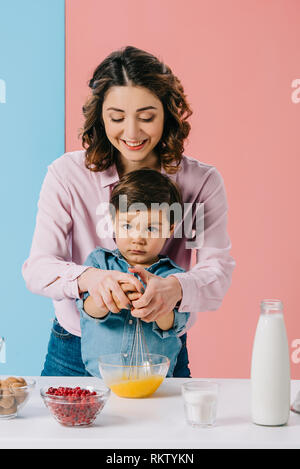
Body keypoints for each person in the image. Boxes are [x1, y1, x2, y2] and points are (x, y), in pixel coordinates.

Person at [22, 45, 235, 377]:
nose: (132, 133)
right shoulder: (67, 175)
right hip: (74, 351)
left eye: (147, 117)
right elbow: (37, 268)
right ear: (100, 116)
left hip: (162, 351)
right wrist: (91, 279)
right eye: (117, 118)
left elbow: (218, 271)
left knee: (166, 431)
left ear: (168, 114)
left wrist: (176, 288)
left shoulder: (199, 183)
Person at [76, 168, 191, 378]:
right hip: (101, 381)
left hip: (156, 384)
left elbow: (172, 325)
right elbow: (87, 311)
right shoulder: (99, 263)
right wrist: (106, 298)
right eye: (127, 225)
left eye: (151, 229)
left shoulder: (173, 277)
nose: (137, 238)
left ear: (170, 229)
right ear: (113, 221)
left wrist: (157, 306)